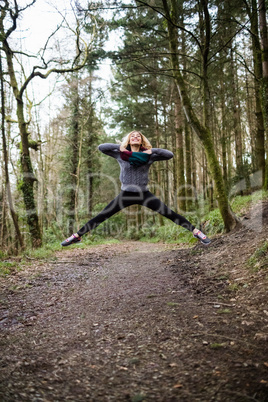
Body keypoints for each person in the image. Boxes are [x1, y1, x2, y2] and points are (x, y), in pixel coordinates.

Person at [61, 130, 211, 246]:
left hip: (143, 194)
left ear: (142, 140)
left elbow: (169, 155)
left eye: (138, 136)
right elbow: (102, 147)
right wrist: (122, 147)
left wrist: (151, 150)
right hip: (125, 194)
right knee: (102, 215)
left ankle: (196, 231)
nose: (135, 137)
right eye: (132, 136)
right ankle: (77, 235)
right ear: (128, 139)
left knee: (169, 213)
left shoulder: (149, 155)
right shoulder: (121, 154)